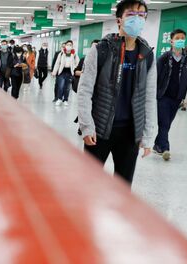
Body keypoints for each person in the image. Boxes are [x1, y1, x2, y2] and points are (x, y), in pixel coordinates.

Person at [78, 0, 157, 185]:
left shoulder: (147, 55)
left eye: (141, 15)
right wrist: (86, 126)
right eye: (131, 15)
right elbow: (84, 91)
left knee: (123, 186)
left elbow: (149, 97)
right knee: (89, 183)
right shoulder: (100, 50)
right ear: (119, 20)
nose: (136, 19)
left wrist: (147, 135)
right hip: (99, 129)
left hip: (130, 132)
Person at [153, 28, 187, 161]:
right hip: (163, 95)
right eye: (177, 38)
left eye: (182, 38)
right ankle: (166, 148)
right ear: (171, 41)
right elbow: (154, 77)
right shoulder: (164, 58)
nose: (180, 41)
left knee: (167, 123)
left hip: (177, 97)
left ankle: (157, 145)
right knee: (164, 123)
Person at [52, 40, 80, 106]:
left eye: (70, 45)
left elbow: (77, 63)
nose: (69, 46)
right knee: (61, 86)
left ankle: (65, 100)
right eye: (68, 45)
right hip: (62, 71)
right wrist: (54, 72)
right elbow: (57, 63)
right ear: (65, 46)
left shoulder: (75, 54)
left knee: (67, 87)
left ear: (72, 46)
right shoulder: (61, 53)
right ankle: (59, 99)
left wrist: (74, 68)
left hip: (70, 72)